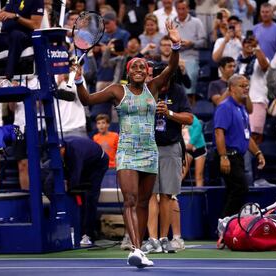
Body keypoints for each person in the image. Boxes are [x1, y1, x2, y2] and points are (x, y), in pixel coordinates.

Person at [75, 20, 181, 268]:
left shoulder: (153, 88)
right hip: (127, 152)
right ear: (128, 71)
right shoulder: (116, 91)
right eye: (135, 66)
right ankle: (135, 249)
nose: (139, 69)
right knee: (131, 200)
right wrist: (79, 81)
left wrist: (175, 44)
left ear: (147, 73)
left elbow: (172, 68)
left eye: (143, 67)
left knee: (144, 202)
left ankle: (139, 247)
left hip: (149, 152)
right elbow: (88, 100)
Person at [142, 65, 193, 254]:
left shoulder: (177, 91)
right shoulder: (145, 90)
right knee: (150, 195)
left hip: (170, 147)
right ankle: (152, 239)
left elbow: (189, 118)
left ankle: (164, 239)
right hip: (148, 147)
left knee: (166, 194)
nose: (162, 82)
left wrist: (169, 113)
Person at [214, 74, 265, 217]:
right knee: (239, 189)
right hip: (229, 156)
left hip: (239, 157)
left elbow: (246, 136)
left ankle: (228, 227)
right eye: (242, 86)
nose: (246, 89)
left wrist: (258, 153)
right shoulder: (225, 107)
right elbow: (219, 133)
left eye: (247, 86)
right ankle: (224, 225)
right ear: (231, 89)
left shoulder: (242, 108)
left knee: (235, 192)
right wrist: (223, 156)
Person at [182, 114, 207, 187]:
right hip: (186, 150)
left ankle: (199, 197)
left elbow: (198, 127)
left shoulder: (191, 117)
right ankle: (172, 195)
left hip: (199, 148)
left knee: (199, 176)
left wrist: (191, 143)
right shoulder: (175, 117)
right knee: (181, 174)